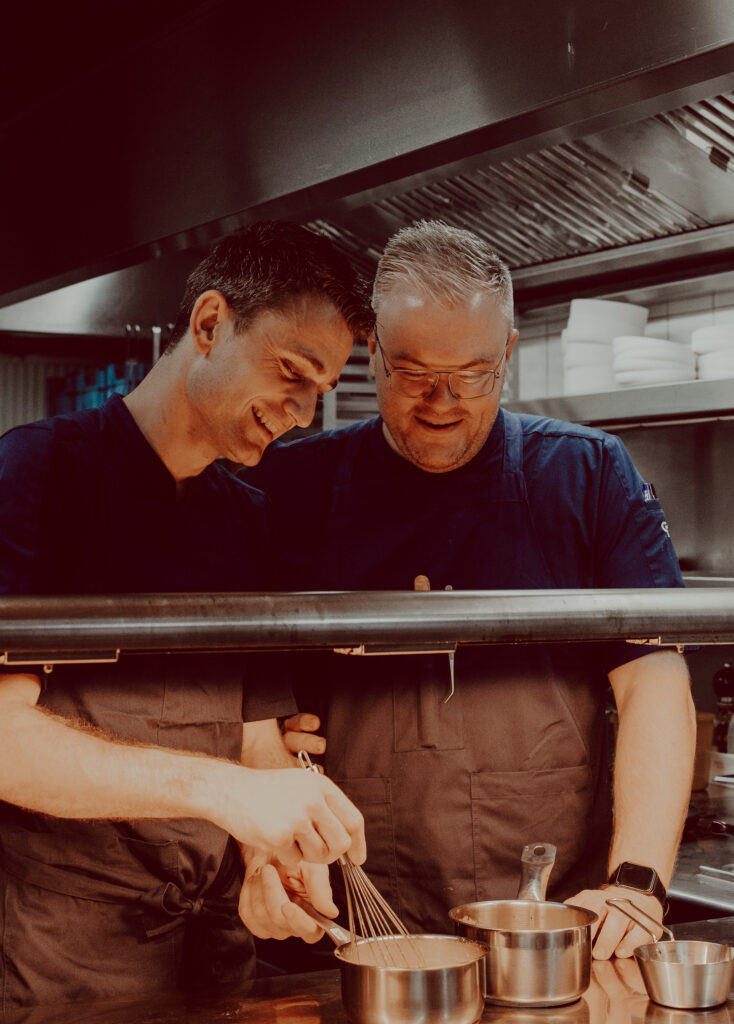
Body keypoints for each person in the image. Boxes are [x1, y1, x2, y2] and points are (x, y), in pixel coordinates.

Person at [0, 221, 375, 1013]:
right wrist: (226, 794)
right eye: (291, 373)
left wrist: (273, 861)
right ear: (210, 324)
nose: (304, 414)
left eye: (320, 390)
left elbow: (255, 738)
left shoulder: (245, 517)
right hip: (59, 950)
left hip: (212, 942)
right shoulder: (40, 474)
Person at [241, 220, 696, 962]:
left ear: (508, 355)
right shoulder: (290, 487)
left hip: (552, 926)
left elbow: (656, 682)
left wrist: (637, 881)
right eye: (414, 372)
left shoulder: (588, 475)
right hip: (343, 922)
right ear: (373, 354)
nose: (442, 402)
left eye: (473, 373)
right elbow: (240, 699)